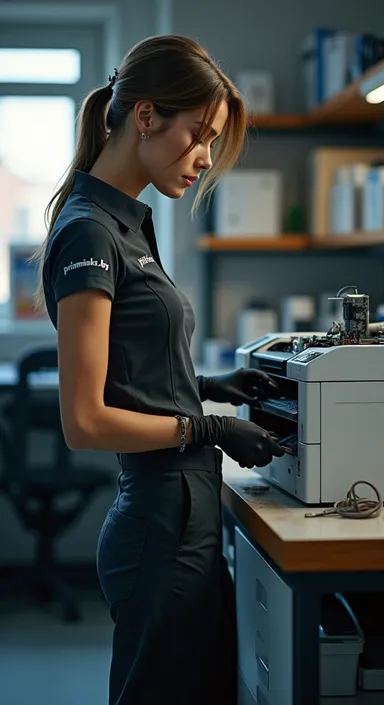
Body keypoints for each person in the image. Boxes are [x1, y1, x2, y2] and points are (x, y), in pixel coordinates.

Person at [34, 34, 285, 705]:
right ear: (145, 116)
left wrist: (207, 388)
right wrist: (209, 428)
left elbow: (132, 374)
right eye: (199, 135)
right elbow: (85, 421)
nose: (204, 159)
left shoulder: (129, 224)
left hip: (189, 518)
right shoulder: (90, 231)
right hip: (157, 528)